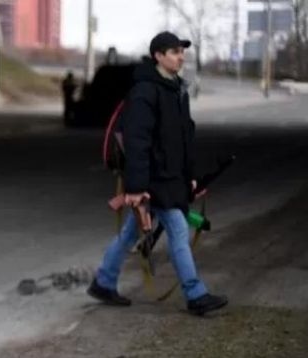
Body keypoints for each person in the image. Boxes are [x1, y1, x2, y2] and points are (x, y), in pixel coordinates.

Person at [86, 31, 228, 316]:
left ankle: (104, 281)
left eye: (182, 51)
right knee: (177, 229)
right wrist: (137, 187)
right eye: (174, 51)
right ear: (158, 56)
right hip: (153, 180)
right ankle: (195, 294)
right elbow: (137, 141)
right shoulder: (144, 91)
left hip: (171, 178)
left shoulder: (177, 89)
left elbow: (184, 137)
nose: (181, 56)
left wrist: (192, 177)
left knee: (129, 234)